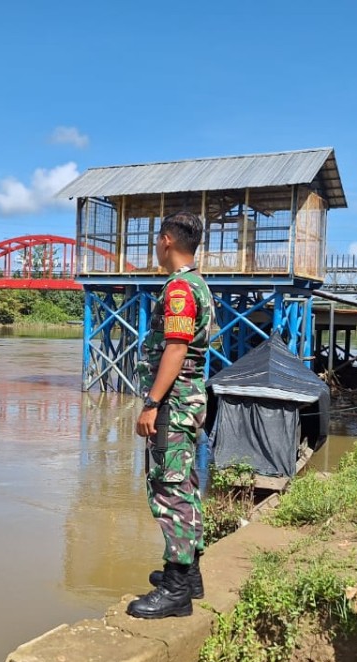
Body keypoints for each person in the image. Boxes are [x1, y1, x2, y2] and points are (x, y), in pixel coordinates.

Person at [127, 211, 213, 620]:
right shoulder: (198, 283)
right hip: (189, 400)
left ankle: (177, 592)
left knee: (170, 489)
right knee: (188, 484)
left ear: (165, 240)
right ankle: (189, 574)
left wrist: (152, 403)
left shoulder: (180, 288)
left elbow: (176, 348)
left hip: (175, 402)